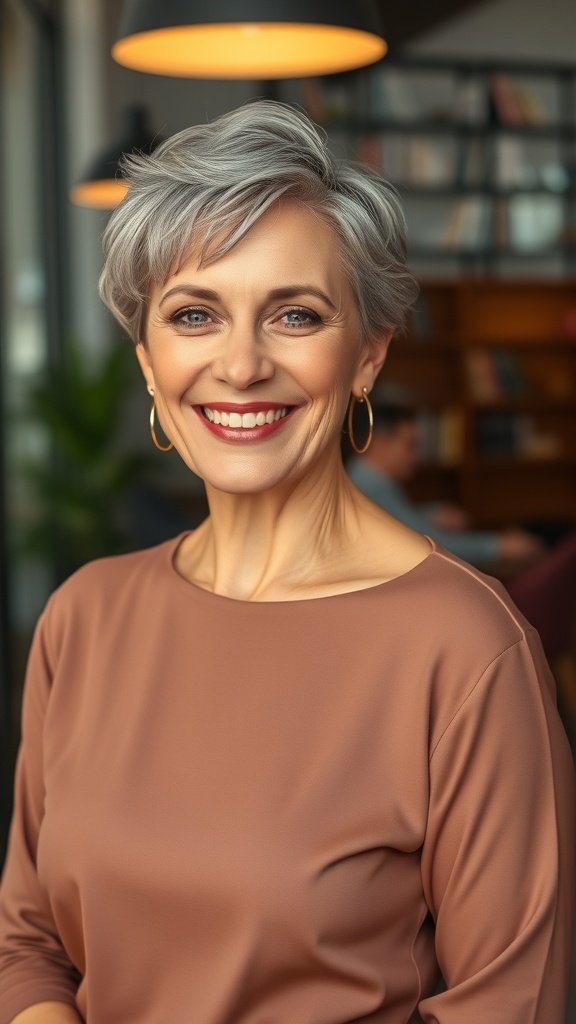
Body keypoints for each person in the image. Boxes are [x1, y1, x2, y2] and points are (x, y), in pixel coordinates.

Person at [0, 101, 574, 1024]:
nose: (240, 364)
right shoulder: (85, 618)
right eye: (194, 315)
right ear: (149, 361)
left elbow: (510, 1008)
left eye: (295, 315)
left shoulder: (466, 648)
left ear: (368, 356)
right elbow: (26, 944)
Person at [347, 403, 576, 660]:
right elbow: (433, 546)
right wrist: (500, 545)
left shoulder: (366, 480)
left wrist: (430, 512)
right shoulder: (371, 483)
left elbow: (398, 521)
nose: (416, 457)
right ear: (381, 442)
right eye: (410, 445)